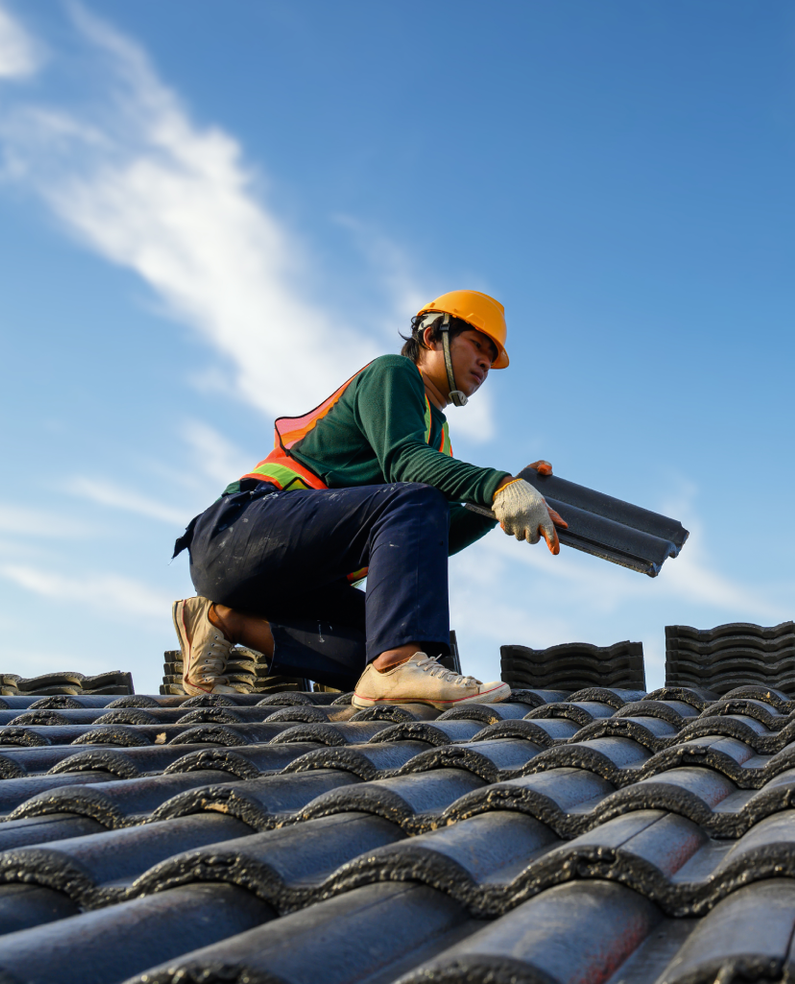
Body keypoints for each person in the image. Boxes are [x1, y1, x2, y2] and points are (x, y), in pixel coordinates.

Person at [169, 289, 567, 709]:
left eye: (492, 355)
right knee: (414, 505)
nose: (486, 363)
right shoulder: (394, 374)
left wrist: (494, 510)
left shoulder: (437, 437)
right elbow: (405, 465)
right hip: (236, 534)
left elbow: (430, 538)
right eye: (477, 346)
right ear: (433, 337)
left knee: (416, 643)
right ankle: (394, 667)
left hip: (290, 582)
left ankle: (221, 619)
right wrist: (498, 485)